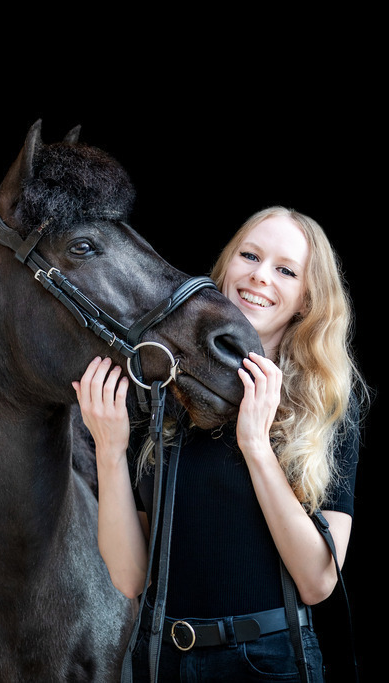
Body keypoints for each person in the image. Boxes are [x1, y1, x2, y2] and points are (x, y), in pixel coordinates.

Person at [73, 206, 367, 682]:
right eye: (249, 255)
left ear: (306, 301)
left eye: (285, 269)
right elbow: (129, 578)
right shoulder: (162, 395)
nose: (259, 276)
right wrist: (109, 450)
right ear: (226, 266)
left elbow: (317, 581)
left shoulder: (323, 404)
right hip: (160, 658)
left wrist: (255, 444)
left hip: (267, 663)